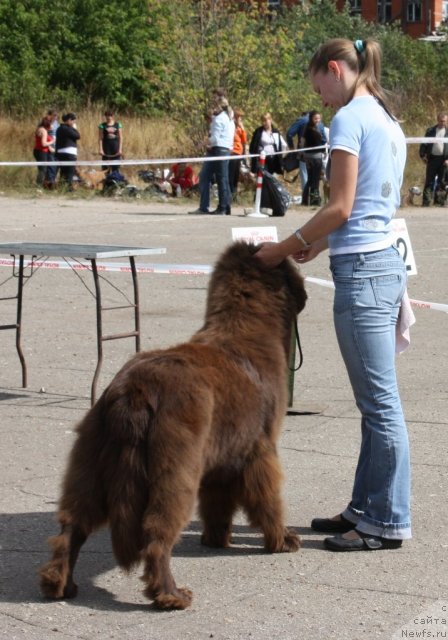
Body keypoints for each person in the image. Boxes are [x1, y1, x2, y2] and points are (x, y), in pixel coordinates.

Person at [257, 38, 410, 552]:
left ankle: (386, 521)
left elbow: (341, 206)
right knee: (375, 403)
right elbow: (369, 206)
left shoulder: (349, 119)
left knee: (381, 406)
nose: (319, 96)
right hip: (381, 264)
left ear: (334, 69)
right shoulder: (388, 120)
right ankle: (365, 507)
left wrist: (286, 246)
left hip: (365, 274)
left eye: (317, 83)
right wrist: (318, 243)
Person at [189, 95, 235, 215]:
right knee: (207, 176)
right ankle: (207, 207)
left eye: (214, 105)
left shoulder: (220, 119)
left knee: (221, 179)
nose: (212, 108)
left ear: (219, 106)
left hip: (219, 150)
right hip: (220, 150)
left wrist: (202, 144)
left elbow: (214, 139)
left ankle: (223, 207)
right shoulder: (228, 118)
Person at [287, 110, 327, 194]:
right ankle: (315, 196)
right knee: (316, 177)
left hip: (305, 154)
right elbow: (324, 140)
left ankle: (306, 198)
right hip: (318, 155)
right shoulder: (321, 124)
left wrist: (292, 148)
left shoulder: (302, 121)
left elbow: (289, 134)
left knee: (306, 176)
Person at [419, 113, 448, 206]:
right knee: (429, 181)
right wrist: (422, 155)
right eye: (441, 121)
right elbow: (424, 143)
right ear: (437, 120)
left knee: (442, 181)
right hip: (432, 159)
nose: (442, 123)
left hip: (444, 160)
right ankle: (426, 202)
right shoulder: (430, 131)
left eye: (444, 121)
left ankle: (439, 202)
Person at [300, 110, 327, 206]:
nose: (318, 120)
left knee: (311, 179)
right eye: (315, 118)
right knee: (315, 179)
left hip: (312, 156)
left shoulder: (315, 127)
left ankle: (305, 199)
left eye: (319, 118)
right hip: (314, 157)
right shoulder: (310, 129)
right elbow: (322, 140)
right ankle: (314, 200)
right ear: (311, 118)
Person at [56, 113, 80, 190]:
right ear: (69, 120)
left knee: (63, 171)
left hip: (61, 153)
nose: (74, 123)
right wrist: (74, 128)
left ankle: (62, 187)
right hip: (69, 153)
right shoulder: (66, 128)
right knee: (70, 171)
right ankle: (69, 188)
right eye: (73, 121)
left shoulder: (59, 128)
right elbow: (77, 136)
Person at [228, 108, 248, 201]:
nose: (239, 119)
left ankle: (234, 194)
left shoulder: (239, 128)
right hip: (232, 152)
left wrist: (242, 128)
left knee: (236, 174)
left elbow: (244, 140)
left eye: (240, 117)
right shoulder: (230, 126)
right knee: (231, 174)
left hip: (239, 153)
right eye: (238, 116)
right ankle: (230, 194)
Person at [33, 116, 54, 187]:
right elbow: (43, 143)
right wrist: (52, 141)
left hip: (40, 151)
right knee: (43, 169)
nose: (53, 125)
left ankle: (43, 184)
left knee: (43, 169)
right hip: (41, 152)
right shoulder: (44, 131)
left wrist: (49, 147)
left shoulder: (41, 129)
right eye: (51, 123)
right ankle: (38, 185)